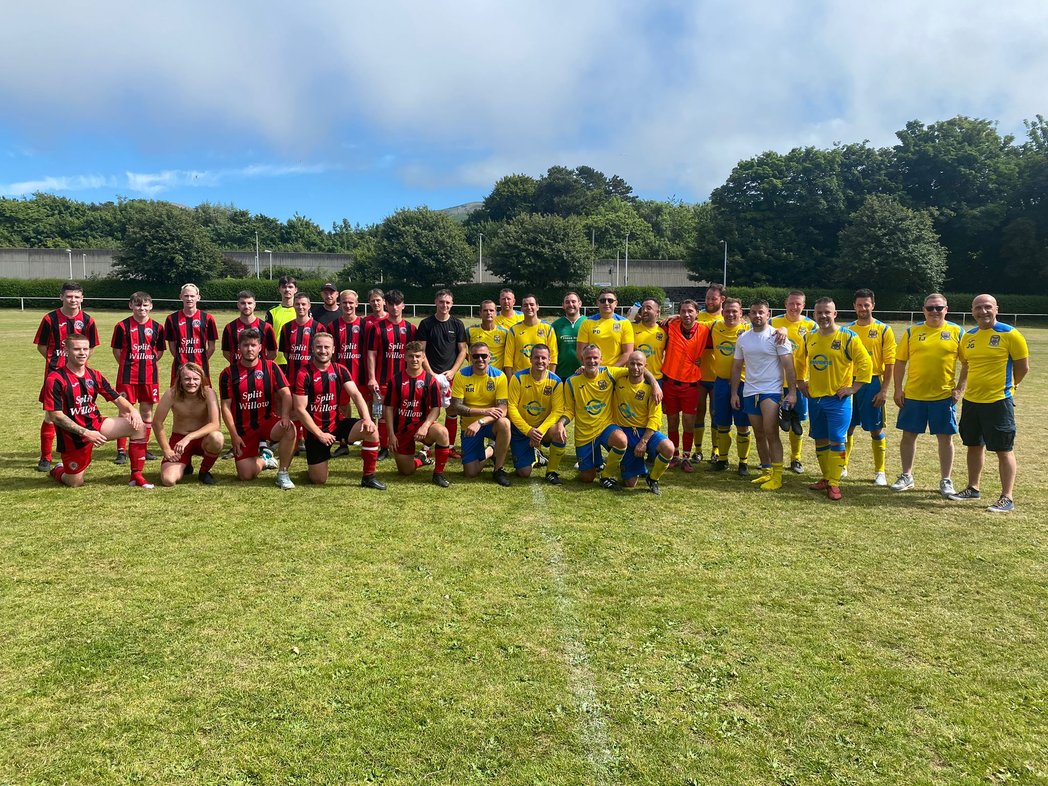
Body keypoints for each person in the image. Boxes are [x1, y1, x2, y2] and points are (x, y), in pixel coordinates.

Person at [947, 294, 1030, 513]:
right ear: (972, 311)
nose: (983, 312)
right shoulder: (969, 337)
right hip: (972, 401)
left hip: (998, 402)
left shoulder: (1010, 334)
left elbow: (1023, 367)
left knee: (1003, 449)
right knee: (973, 445)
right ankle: (973, 488)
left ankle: (1007, 497)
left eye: (987, 307)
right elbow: (966, 365)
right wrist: (961, 388)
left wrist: (1012, 386)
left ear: (996, 309)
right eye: (978, 308)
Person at [41, 334, 149, 488]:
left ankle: (136, 476)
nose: (82, 353)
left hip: (97, 425)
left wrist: (132, 410)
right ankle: (58, 470)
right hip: (74, 436)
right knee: (75, 483)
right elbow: (56, 416)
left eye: (85, 349)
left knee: (139, 427)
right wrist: (86, 433)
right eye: (77, 349)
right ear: (66, 350)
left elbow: (116, 397)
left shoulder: (94, 375)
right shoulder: (55, 379)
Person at [798, 297, 872, 500]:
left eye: (827, 312)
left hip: (838, 400)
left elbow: (865, 363)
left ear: (835, 314)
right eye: (819, 312)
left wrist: (854, 388)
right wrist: (800, 381)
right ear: (814, 315)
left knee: (838, 439)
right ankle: (825, 477)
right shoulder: (809, 337)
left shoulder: (848, 337)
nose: (823, 316)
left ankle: (834, 483)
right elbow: (799, 361)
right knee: (820, 439)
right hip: (815, 399)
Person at [890, 293, 964, 497]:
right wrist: (898, 389)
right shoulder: (912, 332)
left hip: (943, 397)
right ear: (923, 310)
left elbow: (967, 363)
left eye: (939, 308)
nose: (934, 312)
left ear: (946, 309)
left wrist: (959, 388)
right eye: (930, 308)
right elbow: (900, 362)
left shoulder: (957, 331)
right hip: (914, 395)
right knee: (908, 436)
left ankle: (946, 480)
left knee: (945, 438)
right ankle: (906, 475)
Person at [562, 344, 661, 489]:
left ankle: (607, 475)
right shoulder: (571, 381)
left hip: (605, 427)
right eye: (588, 358)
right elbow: (569, 410)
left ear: (601, 359)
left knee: (621, 440)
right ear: (582, 359)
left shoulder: (609, 373)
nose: (592, 361)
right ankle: (596, 464)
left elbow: (638, 368)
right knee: (587, 478)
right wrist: (561, 423)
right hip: (584, 433)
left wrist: (655, 384)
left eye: (595, 358)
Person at [293, 332, 383, 488]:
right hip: (315, 432)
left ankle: (368, 477)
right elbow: (300, 410)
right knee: (319, 480)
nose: (323, 351)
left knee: (372, 430)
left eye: (326, 347)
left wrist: (367, 419)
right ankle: (314, 467)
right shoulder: (303, 373)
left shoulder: (340, 370)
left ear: (333, 349)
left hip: (337, 424)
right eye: (319, 347)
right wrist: (319, 434)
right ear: (312, 349)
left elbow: (356, 394)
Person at [731, 299, 797, 490]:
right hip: (750, 391)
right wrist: (734, 392)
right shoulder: (743, 338)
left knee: (771, 432)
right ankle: (766, 471)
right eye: (754, 312)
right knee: (759, 433)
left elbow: (788, 366)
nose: (757, 315)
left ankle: (777, 476)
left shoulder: (777, 336)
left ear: (768, 315)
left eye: (761, 312)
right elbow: (736, 367)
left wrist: (791, 392)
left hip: (771, 391)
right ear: (748, 314)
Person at [219, 328, 297, 490]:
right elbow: (225, 407)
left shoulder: (271, 367)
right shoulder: (228, 373)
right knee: (245, 475)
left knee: (290, 428)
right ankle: (265, 459)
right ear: (239, 348)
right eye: (246, 345)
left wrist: (284, 416)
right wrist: (233, 435)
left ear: (260, 347)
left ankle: (283, 473)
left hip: (268, 422)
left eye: (253, 345)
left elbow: (286, 394)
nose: (250, 349)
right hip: (244, 428)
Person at [33, 281, 99, 471]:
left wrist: (78, 363)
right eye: (69, 296)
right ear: (61, 297)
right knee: (50, 415)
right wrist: (57, 362)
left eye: (77, 297)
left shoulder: (88, 320)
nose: (73, 300)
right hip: (54, 375)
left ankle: (74, 451)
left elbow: (91, 346)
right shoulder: (49, 319)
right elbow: (42, 346)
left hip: (78, 376)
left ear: (82, 298)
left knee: (78, 412)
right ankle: (45, 457)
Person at [843, 288, 896, 485]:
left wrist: (884, 390)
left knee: (875, 429)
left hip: (873, 383)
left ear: (873, 305)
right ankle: (843, 466)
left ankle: (880, 471)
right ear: (854, 307)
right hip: (849, 382)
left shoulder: (884, 329)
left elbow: (890, 362)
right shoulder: (847, 330)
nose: (863, 308)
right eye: (859, 305)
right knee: (847, 427)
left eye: (866, 304)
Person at [383, 341, 453, 487]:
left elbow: (436, 408)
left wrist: (425, 426)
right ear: (405, 358)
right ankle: (422, 458)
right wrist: (391, 434)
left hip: (422, 425)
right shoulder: (396, 380)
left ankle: (438, 474)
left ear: (423, 358)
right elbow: (388, 408)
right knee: (406, 472)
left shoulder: (430, 380)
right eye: (411, 356)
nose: (414, 359)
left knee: (442, 432)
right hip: (401, 429)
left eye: (417, 356)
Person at [110, 291, 166, 465]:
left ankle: (142, 447)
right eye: (138, 304)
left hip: (149, 376)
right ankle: (121, 451)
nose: (141, 308)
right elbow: (117, 351)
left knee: (146, 412)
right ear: (131, 305)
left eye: (145, 305)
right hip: (127, 377)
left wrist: (146, 362)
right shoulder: (122, 326)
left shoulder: (158, 327)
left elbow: (159, 351)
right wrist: (129, 364)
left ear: (150, 306)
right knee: (125, 411)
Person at [659, 299, 713, 472]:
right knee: (672, 421)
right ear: (678, 312)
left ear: (698, 313)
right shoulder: (671, 325)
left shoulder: (705, 329)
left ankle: (686, 457)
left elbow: (728, 324)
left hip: (691, 385)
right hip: (670, 382)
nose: (687, 314)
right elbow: (646, 320)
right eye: (683, 311)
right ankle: (674, 455)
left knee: (689, 422)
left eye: (690, 311)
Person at [450, 341, 512, 486]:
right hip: (469, 427)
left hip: (489, 423)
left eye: (484, 356)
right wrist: (483, 411)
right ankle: (491, 450)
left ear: (490, 357)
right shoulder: (461, 375)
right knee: (471, 473)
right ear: (470, 358)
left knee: (505, 423)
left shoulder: (499, 376)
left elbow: (503, 410)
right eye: (476, 356)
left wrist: (480, 421)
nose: (480, 359)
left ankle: (498, 469)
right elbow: (457, 407)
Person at [153, 362, 224, 486]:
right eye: (187, 379)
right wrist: (166, 449)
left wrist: (189, 437)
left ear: (202, 380)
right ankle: (185, 464)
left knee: (217, 438)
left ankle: (204, 471)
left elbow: (215, 424)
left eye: (196, 379)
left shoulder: (209, 393)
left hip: (202, 439)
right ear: (180, 380)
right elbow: (157, 423)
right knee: (168, 480)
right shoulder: (171, 394)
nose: (192, 382)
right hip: (179, 440)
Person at [613, 351, 674, 495]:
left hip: (645, 432)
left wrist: (643, 441)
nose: (635, 367)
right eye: (632, 363)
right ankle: (627, 465)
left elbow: (655, 419)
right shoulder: (618, 380)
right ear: (627, 364)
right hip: (625, 432)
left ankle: (653, 479)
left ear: (645, 366)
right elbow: (599, 372)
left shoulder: (652, 390)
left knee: (668, 448)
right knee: (630, 484)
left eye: (639, 364)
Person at [771, 290, 818, 474]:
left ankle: (796, 459)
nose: (794, 307)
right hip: (774, 381)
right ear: (785, 304)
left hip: (799, 382)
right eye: (791, 303)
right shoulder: (773, 322)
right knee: (772, 422)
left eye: (798, 304)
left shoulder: (811, 325)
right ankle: (769, 459)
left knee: (796, 424)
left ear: (803, 305)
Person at [417, 289, 468, 456]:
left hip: (450, 376)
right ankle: (426, 447)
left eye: (447, 302)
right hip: (429, 376)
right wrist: (430, 373)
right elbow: (421, 351)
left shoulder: (457, 324)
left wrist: (453, 371)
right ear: (435, 303)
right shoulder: (426, 324)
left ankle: (450, 447)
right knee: (430, 410)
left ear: (452, 304)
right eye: (441, 302)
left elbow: (462, 351)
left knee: (452, 410)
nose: (444, 305)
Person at [366, 288, 416, 460]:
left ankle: (400, 443)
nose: (395, 308)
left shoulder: (411, 328)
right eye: (391, 304)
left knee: (403, 412)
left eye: (398, 304)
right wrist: (372, 377)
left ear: (404, 305)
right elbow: (371, 353)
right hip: (383, 379)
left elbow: (416, 355)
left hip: (405, 379)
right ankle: (384, 446)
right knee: (381, 414)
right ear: (386, 306)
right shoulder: (377, 327)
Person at [506, 343, 567, 483]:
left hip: (542, 430)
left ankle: (551, 472)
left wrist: (539, 431)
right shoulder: (518, 378)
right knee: (524, 473)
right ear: (530, 359)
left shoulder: (556, 381)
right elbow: (512, 407)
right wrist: (528, 431)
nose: (540, 361)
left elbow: (557, 410)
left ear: (549, 360)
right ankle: (536, 455)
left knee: (560, 432)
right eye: (536, 357)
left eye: (543, 358)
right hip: (522, 430)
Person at [709, 298, 753, 474]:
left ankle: (743, 462)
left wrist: (781, 330)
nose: (731, 314)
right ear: (722, 312)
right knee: (722, 423)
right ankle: (723, 459)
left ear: (741, 313)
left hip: (743, 383)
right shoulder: (714, 327)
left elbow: (771, 329)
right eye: (727, 311)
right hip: (720, 382)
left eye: (735, 311)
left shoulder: (749, 330)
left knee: (742, 424)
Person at [327, 289, 367, 456]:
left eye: (351, 302)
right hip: (340, 377)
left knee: (368, 407)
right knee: (342, 408)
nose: (348, 305)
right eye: (344, 302)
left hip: (362, 374)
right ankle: (343, 441)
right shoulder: (333, 326)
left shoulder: (366, 325)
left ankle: (369, 439)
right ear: (340, 304)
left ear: (357, 304)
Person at [693, 283, 725, 463]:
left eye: (713, 298)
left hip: (717, 376)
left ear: (722, 299)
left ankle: (716, 450)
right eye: (707, 298)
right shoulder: (698, 316)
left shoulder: (727, 318)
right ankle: (697, 450)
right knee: (698, 411)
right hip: (698, 374)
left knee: (716, 414)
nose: (710, 301)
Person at [163, 282, 218, 386]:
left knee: (203, 395)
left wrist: (202, 358)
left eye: (192, 296)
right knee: (178, 396)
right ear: (181, 297)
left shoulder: (208, 318)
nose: (189, 299)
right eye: (186, 296)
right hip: (179, 365)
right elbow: (172, 345)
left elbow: (211, 347)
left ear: (198, 297)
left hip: (201, 365)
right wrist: (181, 357)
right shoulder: (171, 319)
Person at [576, 288, 634, 367]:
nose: (606, 303)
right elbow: (580, 352)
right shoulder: (587, 323)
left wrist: (610, 371)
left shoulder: (625, 323)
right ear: (597, 303)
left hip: (616, 372)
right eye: (603, 300)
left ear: (616, 303)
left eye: (610, 300)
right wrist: (593, 369)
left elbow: (628, 353)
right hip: (593, 371)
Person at [504, 294, 558, 375]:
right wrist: (510, 380)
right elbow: (508, 359)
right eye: (525, 305)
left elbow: (553, 357)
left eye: (532, 304)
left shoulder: (548, 329)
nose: (529, 307)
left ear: (537, 307)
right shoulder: (514, 330)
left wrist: (550, 378)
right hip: (520, 378)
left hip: (542, 378)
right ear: (521, 309)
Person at [221, 290, 277, 366]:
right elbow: (226, 352)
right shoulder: (230, 327)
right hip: (237, 372)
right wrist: (237, 363)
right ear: (238, 305)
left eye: (249, 303)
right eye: (243, 303)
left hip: (259, 372)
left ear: (254, 304)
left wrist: (262, 365)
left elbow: (273, 352)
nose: (246, 306)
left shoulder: (266, 327)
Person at [467, 300, 511, 373]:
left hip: (497, 376)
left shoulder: (504, 332)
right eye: (485, 310)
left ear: (496, 313)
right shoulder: (470, 331)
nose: (488, 313)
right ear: (480, 313)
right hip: (475, 374)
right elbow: (462, 351)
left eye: (491, 310)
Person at [551, 291, 585, 379]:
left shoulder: (588, 322)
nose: (570, 304)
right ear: (563, 305)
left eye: (573, 301)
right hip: (561, 374)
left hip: (584, 374)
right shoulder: (556, 325)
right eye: (567, 302)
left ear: (580, 303)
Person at [632, 297, 667, 383]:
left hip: (657, 378)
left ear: (658, 312)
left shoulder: (664, 331)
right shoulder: (631, 327)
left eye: (649, 308)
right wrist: (631, 315)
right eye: (643, 308)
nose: (645, 310)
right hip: (635, 378)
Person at [266, 275, 297, 367]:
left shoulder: (302, 310)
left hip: (296, 358)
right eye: (284, 287)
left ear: (295, 290)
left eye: (290, 287)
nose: (287, 290)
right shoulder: (272, 312)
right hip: (276, 360)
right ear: (279, 289)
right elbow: (267, 336)